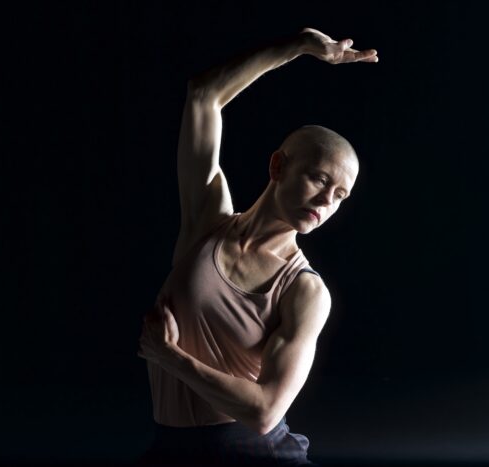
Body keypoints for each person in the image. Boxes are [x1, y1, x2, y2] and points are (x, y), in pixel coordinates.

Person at [137, 27, 378, 466]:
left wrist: (169, 357)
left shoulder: (305, 291)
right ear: (278, 165)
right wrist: (300, 45)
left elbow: (265, 412)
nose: (327, 201)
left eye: (340, 195)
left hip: (250, 454)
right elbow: (203, 96)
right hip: (169, 449)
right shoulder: (206, 220)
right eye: (321, 179)